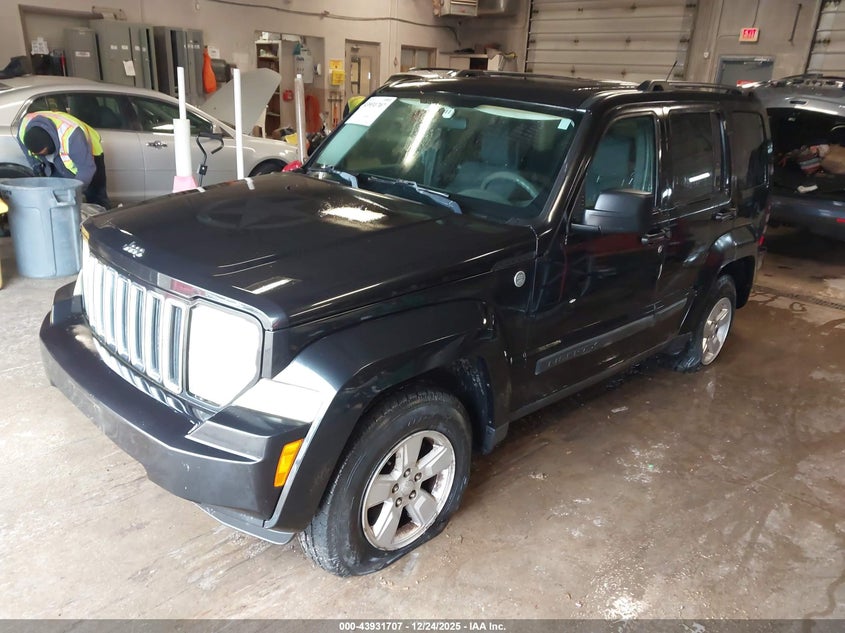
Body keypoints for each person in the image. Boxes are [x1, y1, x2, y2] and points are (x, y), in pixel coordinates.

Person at [17, 111, 111, 209]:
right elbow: (30, 154)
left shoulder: (72, 136)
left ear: (50, 146)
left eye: (43, 153)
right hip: (60, 154)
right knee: (56, 194)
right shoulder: (23, 129)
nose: (41, 156)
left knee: (95, 195)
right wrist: (37, 167)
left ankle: (103, 217)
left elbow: (86, 170)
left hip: (90, 153)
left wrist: (70, 193)